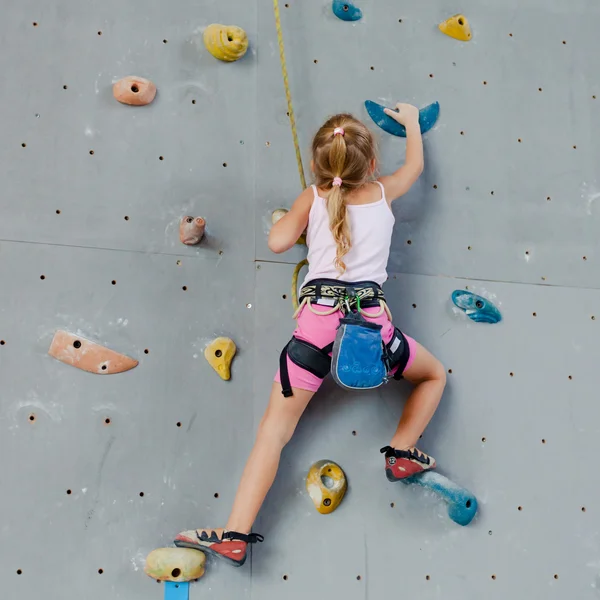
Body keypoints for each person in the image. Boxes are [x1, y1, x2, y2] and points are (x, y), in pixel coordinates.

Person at [174, 104, 447, 566]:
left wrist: (310, 220)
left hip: (316, 329)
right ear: (372, 165)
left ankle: (236, 534)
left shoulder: (314, 196)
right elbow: (415, 167)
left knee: (273, 433)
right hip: (370, 327)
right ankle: (401, 450)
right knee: (434, 376)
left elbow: (278, 242)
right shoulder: (383, 192)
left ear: (321, 166)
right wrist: (412, 121)